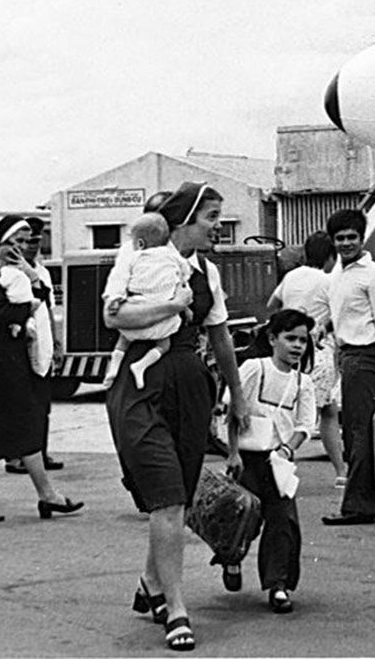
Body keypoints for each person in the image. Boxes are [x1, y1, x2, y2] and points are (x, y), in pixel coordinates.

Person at [104, 182, 247, 653]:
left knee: (176, 499)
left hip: (189, 384)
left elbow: (221, 337)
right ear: (184, 219)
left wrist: (238, 396)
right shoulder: (138, 258)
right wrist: (166, 308)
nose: (218, 226)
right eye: (211, 217)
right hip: (141, 383)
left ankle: (151, 582)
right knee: (165, 495)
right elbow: (115, 316)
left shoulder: (207, 272)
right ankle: (177, 608)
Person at [0, 216, 83, 523]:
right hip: (1, 365)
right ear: (1, 243)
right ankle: (46, 496)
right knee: (26, 425)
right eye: (17, 241)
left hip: (5, 363)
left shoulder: (10, 272)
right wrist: (32, 303)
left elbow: (38, 298)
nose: (22, 247)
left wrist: (32, 287)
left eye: (26, 242)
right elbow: (0, 311)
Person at [222, 308, 317, 613]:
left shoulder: (304, 383)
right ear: (273, 338)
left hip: (278, 462)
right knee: (242, 518)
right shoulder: (254, 368)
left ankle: (278, 585)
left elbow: (305, 425)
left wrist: (288, 449)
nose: (297, 346)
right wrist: (233, 451)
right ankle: (231, 559)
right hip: (248, 458)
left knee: (283, 521)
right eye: (290, 338)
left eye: (303, 340)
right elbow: (233, 412)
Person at [322, 207, 375, 526]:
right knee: (365, 430)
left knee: (358, 431)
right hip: (347, 354)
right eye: (339, 238)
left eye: (351, 237)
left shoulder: (374, 275)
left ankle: (357, 505)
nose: (345, 243)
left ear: (362, 238)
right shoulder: (339, 274)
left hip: (366, 356)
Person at [267, 230, 346, 487]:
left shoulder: (291, 276)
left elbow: (272, 304)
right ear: (330, 256)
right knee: (324, 413)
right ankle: (339, 472)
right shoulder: (328, 280)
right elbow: (340, 313)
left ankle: (281, 467)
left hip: (291, 352)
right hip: (318, 351)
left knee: (295, 410)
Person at [101, 212, 190, 390]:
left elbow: (119, 279)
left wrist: (115, 298)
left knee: (123, 340)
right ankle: (141, 365)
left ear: (140, 243)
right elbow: (184, 276)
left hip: (138, 307)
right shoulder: (173, 257)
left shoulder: (134, 256)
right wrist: (183, 300)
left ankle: (114, 367)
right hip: (165, 317)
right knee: (164, 345)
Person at [5, 217, 64, 475]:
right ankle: (14, 455)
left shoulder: (42, 271)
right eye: (27, 242)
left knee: (42, 402)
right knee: (18, 402)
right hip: (19, 343)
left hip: (42, 341)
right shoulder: (9, 271)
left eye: (37, 242)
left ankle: (40, 452)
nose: (32, 247)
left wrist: (56, 340)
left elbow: (48, 307)